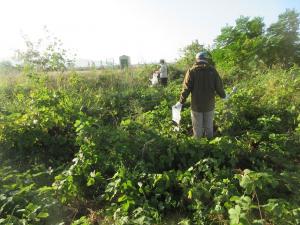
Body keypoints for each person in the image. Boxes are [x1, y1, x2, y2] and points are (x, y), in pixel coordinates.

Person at [174, 52, 226, 138]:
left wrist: (181, 101)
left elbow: (186, 88)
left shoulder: (191, 71)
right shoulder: (213, 71)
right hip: (209, 105)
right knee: (209, 127)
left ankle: (198, 146)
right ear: (206, 59)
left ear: (197, 59)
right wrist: (224, 97)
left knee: (197, 128)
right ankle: (210, 145)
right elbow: (219, 87)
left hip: (196, 106)